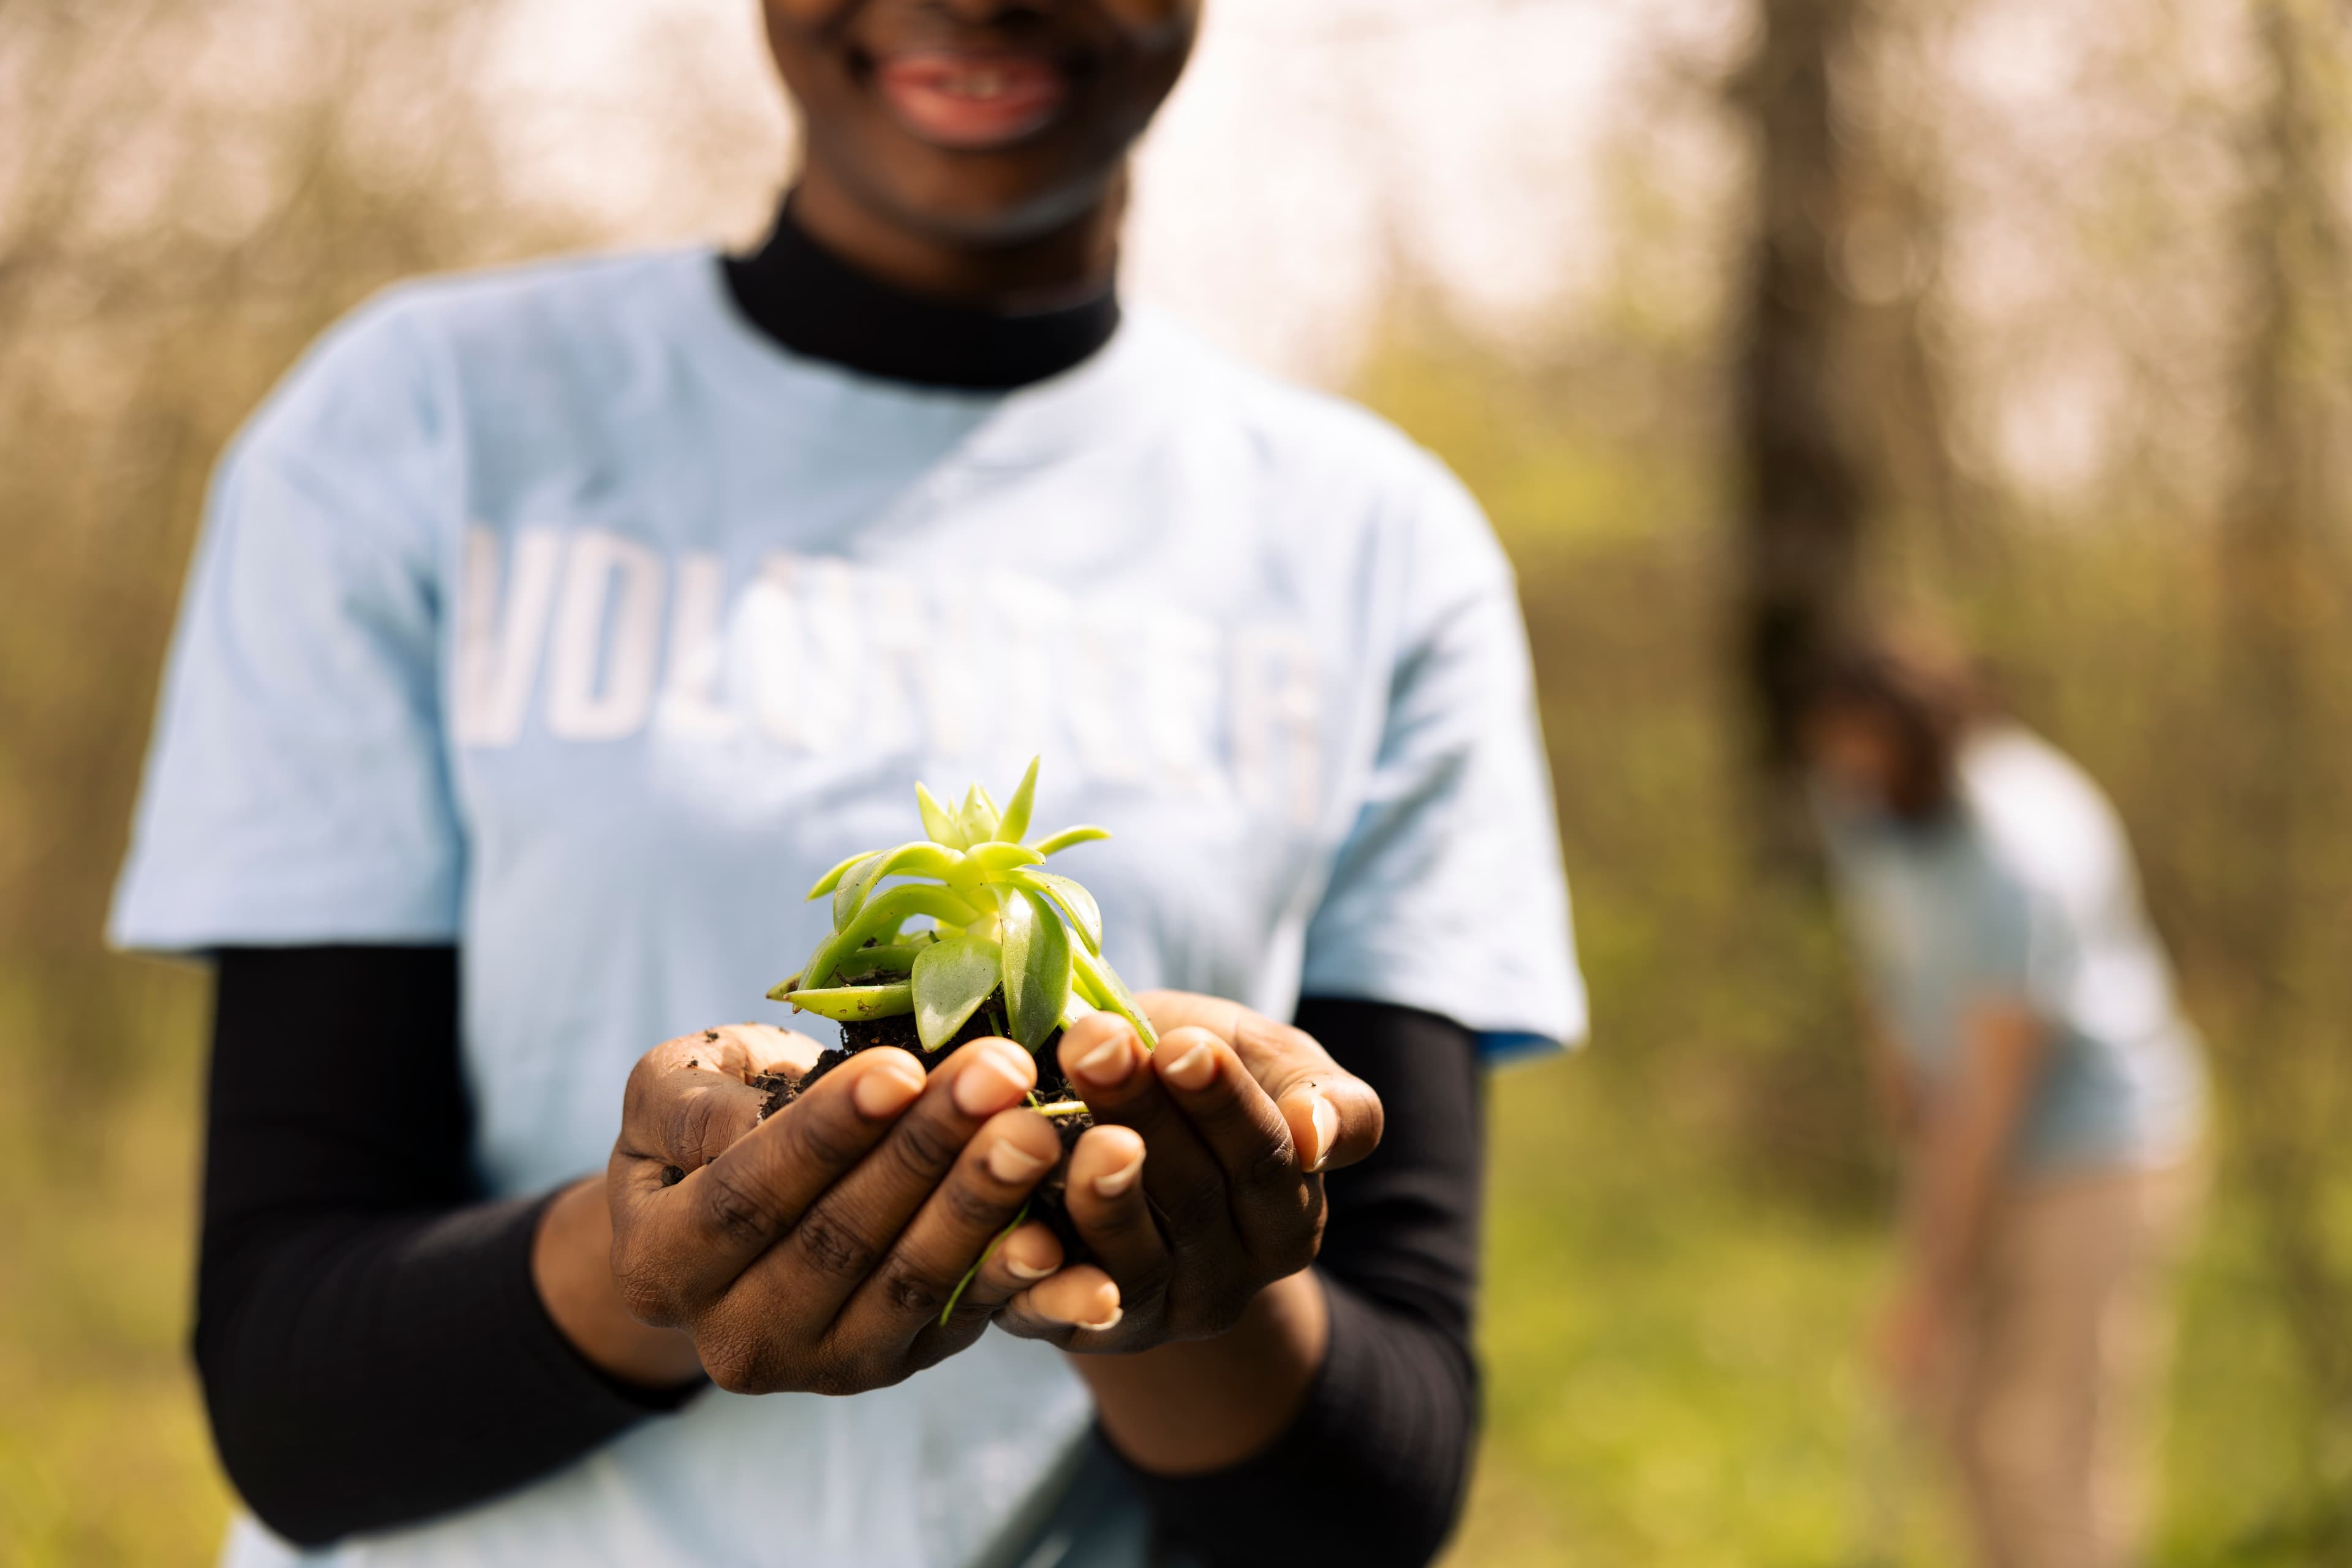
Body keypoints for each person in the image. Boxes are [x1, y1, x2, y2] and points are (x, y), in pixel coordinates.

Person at [109, 4, 1583, 1566]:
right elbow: (287, 1396)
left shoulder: (1377, 549)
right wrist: (647, 1267)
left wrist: (1167, 1257)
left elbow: (1376, 1496)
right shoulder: (419, 426)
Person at [1799, 635, 2207, 1568]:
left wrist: (1929, 1286)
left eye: (1871, 753)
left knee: (2043, 1446)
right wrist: (1896, 1064)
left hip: (2097, 1151)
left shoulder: (2023, 851)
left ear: (1929, 743)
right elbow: (1884, 945)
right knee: (1962, 1427)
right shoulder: (1856, 798)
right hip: (1967, 1123)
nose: (1848, 773)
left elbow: (1995, 1091)